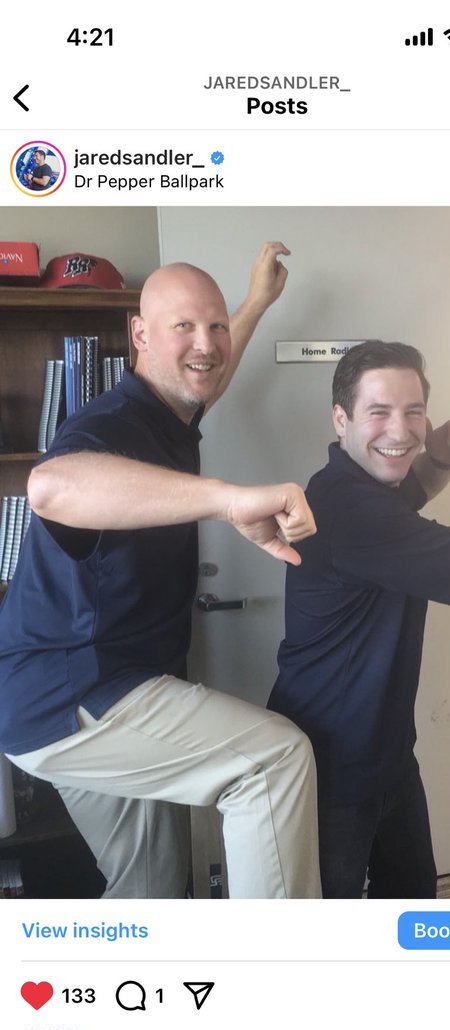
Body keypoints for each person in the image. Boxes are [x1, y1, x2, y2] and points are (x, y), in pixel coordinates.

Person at [0, 243, 321, 901]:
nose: (206, 344)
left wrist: (256, 301)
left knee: (149, 887)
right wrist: (230, 500)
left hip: (58, 702)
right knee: (275, 761)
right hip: (76, 694)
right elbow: (52, 487)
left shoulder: (170, 410)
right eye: (184, 327)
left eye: (217, 327)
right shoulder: (108, 425)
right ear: (139, 335)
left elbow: (206, 377)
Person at [268, 340, 450, 899]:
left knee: (408, 897)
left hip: (384, 753)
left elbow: (409, 494)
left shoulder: (354, 486)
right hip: (331, 766)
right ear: (342, 418)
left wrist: (444, 458)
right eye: (378, 412)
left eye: (414, 412)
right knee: (329, 932)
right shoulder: (352, 512)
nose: (400, 430)